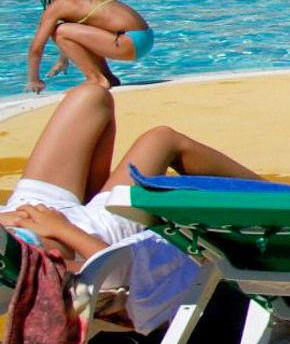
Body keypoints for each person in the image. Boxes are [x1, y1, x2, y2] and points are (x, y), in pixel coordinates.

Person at [0, 85, 259, 326]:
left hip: (32, 208)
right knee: (162, 139)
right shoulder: (15, 273)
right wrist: (62, 229)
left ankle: (100, 195)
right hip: (90, 231)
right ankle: (282, 199)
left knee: (91, 97)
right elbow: (110, 276)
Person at [25, 0, 153, 92]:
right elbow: (81, 34)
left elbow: (36, 48)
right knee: (65, 29)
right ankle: (108, 77)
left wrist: (34, 80)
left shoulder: (60, 5)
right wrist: (62, 59)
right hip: (144, 39)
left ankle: (95, 79)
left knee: (59, 30)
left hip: (130, 43)